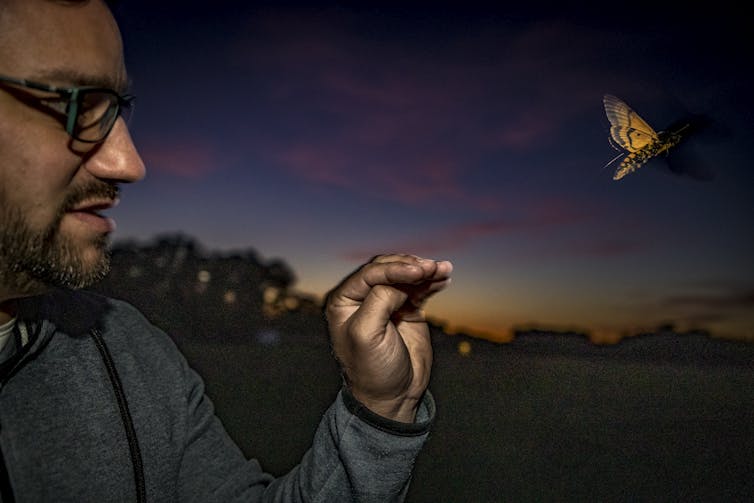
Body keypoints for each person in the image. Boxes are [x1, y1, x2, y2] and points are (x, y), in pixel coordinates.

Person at [0, 0, 453, 501]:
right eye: (77, 104)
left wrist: (380, 409)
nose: (128, 162)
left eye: (115, 110)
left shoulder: (129, 350)